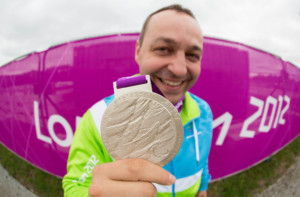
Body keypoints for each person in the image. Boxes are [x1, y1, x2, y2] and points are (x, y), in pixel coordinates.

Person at [62, 4, 213, 197]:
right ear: (138, 51)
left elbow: (203, 163)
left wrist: (202, 188)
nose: (180, 69)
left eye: (192, 55)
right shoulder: (97, 119)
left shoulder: (204, 111)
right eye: (163, 49)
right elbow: (76, 186)